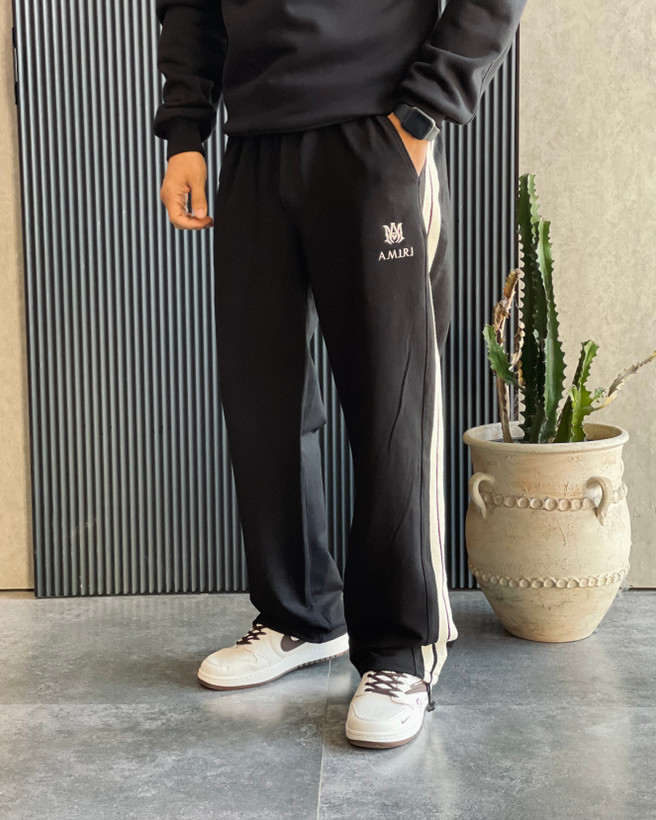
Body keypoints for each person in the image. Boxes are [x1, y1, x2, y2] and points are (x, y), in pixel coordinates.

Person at [153, 0, 527, 749]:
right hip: (255, 140)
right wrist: (187, 130)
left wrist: (425, 111)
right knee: (262, 405)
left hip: (377, 131)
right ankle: (301, 615)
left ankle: (401, 649)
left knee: (392, 406)